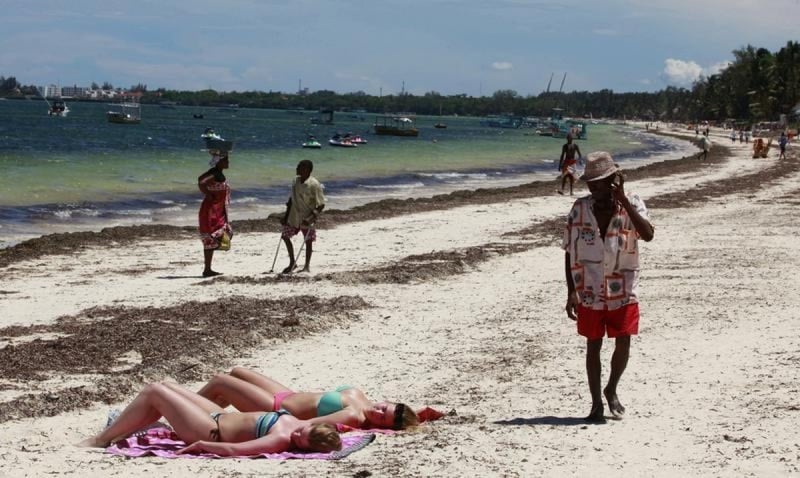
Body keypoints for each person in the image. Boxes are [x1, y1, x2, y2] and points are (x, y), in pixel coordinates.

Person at [562, 152, 655, 423]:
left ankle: (611, 388)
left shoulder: (633, 203)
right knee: (593, 344)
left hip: (623, 286)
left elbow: (648, 235)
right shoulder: (580, 209)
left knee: (623, 340)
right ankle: (595, 405)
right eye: (590, 183)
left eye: (599, 183)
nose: (593, 188)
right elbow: (569, 251)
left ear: (614, 180)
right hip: (588, 287)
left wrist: (624, 200)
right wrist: (571, 290)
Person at [78, 381, 342, 455]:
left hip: (209, 430)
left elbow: (233, 448)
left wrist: (202, 446)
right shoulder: (303, 426)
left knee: (154, 392)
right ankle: (125, 428)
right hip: (218, 415)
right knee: (166, 385)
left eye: (300, 442)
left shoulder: (281, 439)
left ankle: (100, 440)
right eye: (301, 433)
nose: (295, 436)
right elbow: (344, 422)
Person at [197, 367, 419, 430]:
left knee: (220, 382)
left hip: (276, 407)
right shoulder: (363, 400)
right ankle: (205, 414)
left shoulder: (354, 416)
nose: (378, 412)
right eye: (384, 408)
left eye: (382, 418)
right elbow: (407, 416)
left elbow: (306, 424)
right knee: (237, 372)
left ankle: (185, 413)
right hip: (286, 393)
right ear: (388, 401)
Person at [280, 160, 325, 274]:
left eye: (299, 167)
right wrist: (285, 216)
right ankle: (292, 263)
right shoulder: (295, 180)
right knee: (285, 236)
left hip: (307, 216)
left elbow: (321, 204)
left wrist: (310, 218)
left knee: (308, 241)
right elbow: (291, 199)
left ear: (307, 170)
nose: (297, 168)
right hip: (294, 215)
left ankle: (306, 266)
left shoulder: (314, 184)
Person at [198, 151, 232, 277]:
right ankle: (207, 269)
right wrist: (208, 194)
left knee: (219, 235)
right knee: (210, 236)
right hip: (211, 210)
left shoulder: (219, 173)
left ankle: (208, 269)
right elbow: (201, 181)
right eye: (226, 160)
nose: (228, 163)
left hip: (218, 210)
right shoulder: (214, 173)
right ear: (219, 161)